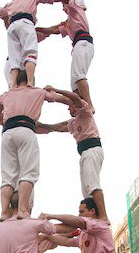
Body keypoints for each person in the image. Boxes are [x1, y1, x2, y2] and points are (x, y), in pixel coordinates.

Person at [0, 69, 70, 220]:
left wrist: (3, 118)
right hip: (26, 129)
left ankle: (4, 212)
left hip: (8, 132)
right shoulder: (37, 92)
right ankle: (22, 209)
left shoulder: (8, 94)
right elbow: (62, 99)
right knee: (29, 172)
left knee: (8, 176)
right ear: (31, 80)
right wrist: (71, 100)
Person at [38, 88, 107, 220]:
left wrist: (55, 90)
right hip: (84, 153)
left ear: (75, 105)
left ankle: (103, 216)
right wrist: (42, 126)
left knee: (93, 184)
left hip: (92, 149)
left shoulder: (85, 112)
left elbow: (75, 98)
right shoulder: (74, 122)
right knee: (86, 190)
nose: (68, 109)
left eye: (69, 106)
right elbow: (58, 127)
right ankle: (92, 216)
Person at [0, 0, 62, 88]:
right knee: (30, 52)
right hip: (25, 22)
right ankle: (30, 81)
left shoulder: (12, 3)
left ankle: (13, 85)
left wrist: (6, 15)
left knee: (14, 58)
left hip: (12, 26)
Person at [36, 0, 94, 110]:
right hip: (79, 44)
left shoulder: (75, 9)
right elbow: (54, 30)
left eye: (64, 6)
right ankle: (79, 107)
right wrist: (37, 29)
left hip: (83, 42)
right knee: (74, 84)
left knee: (78, 75)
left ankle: (89, 105)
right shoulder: (68, 22)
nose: (63, 8)